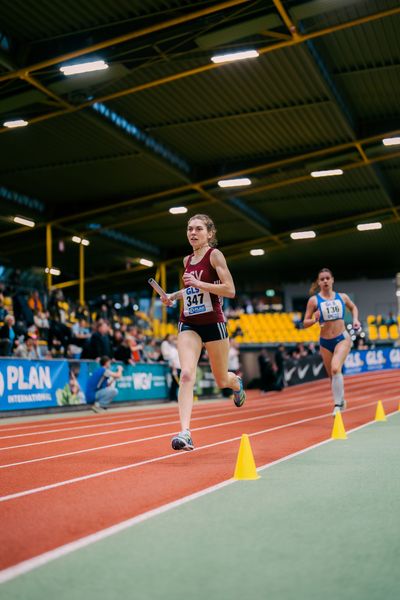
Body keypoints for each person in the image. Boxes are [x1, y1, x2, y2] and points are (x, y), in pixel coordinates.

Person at [161, 213, 245, 451]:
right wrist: (172, 296)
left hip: (213, 323)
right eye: (189, 229)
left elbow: (230, 290)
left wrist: (199, 285)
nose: (193, 233)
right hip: (188, 322)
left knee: (221, 380)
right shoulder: (187, 259)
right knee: (186, 374)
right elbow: (190, 291)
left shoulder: (215, 255)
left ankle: (236, 383)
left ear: (210, 233)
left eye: (198, 229)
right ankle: (185, 432)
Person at [303, 267, 360, 415]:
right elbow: (305, 323)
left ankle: (337, 405)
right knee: (332, 376)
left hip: (342, 338)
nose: (325, 281)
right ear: (318, 282)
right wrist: (314, 319)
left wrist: (355, 320)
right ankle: (341, 400)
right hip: (325, 341)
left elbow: (353, 308)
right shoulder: (314, 300)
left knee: (335, 368)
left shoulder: (342, 297)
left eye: (328, 278)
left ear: (332, 280)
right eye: (322, 279)